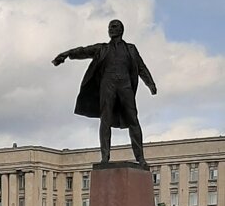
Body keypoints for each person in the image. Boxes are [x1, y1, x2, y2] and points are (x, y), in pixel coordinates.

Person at [52, 19, 157, 168]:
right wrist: (66, 54)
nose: (111, 29)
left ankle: (140, 158)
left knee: (133, 120)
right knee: (105, 120)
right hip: (107, 85)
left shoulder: (131, 49)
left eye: (114, 27)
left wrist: (150, 83)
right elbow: (83, 51)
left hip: (125, 85)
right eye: (110, 27)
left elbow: (141, 67)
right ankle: (105, 158)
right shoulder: (102, 49)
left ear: (121, 30)